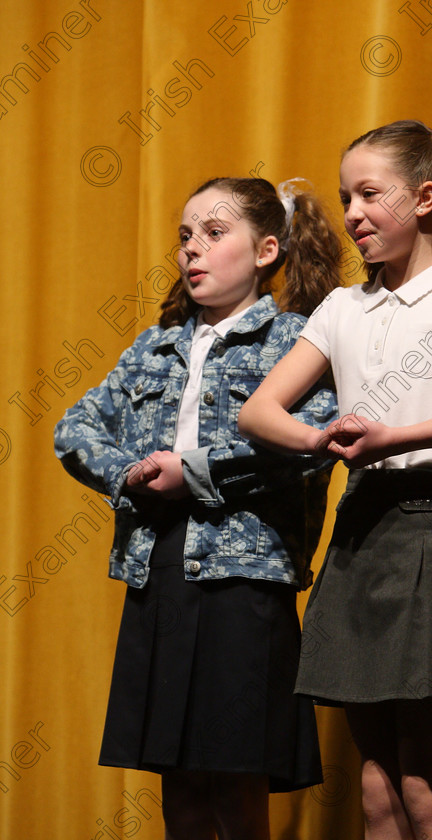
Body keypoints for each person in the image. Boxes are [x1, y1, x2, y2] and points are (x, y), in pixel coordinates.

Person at [238, 121, 432, 840]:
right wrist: (323, 438)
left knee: (425, 784)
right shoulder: (346, 307)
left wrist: (393, 437)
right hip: (359, 533)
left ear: (426, 198)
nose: (351, 214)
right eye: (346, 197)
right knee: (375, 789)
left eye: (370, 194)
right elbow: (258, 411)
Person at [54, 176, 342, 840]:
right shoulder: (154, 345)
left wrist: (193, 473)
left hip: (244, 580)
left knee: (237, 783)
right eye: (186, 236)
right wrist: (131, 473)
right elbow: (74, 429)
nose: (193, 250)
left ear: (267, 249)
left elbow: (307, 444)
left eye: (214, 234)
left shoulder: (295, 342)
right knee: (177, 785)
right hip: (158, 573)